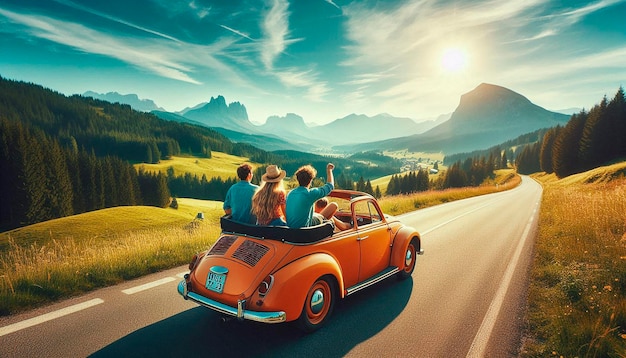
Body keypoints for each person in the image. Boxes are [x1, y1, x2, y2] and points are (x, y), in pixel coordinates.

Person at [285, 163, 335, 228]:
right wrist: (329, 170)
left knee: (316, 216)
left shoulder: (290, 193)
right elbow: (330, 186)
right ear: (311, 180)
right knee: (333, 207)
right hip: (304, 230)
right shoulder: (310, 194)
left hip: (291, 229)